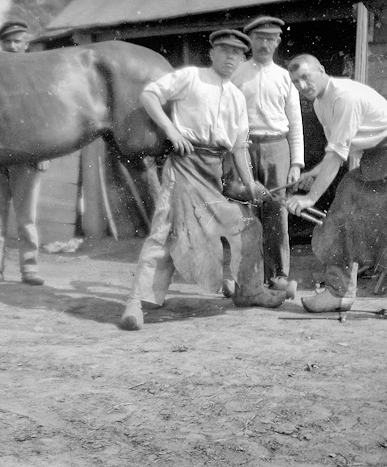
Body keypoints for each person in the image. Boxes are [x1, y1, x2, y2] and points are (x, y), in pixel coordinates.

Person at [120, 29, 287, 331]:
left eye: (237, 53)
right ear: (212, 53)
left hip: (214, 174)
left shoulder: (237, 97)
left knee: (249, 225)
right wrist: (171, 129)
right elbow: (149, 95)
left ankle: (250, 291)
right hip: (184, 167)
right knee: (166, 229)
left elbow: (238, 145)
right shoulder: (191, 77)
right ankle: (137, 302)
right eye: (224, 51)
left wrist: (250, 184)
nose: (231, 57)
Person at [284, 55, 387, 324]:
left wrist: (310, 198)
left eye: (306, 77)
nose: (302, 85)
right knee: (340, 213)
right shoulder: (319, 103)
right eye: (295, 81)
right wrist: (313, 174)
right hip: (373, 159)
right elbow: (341, 148)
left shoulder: (345, 96)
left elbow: (337, 155)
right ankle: (339, 292)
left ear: (322, 71)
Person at [0, 21, 48, 288]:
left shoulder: (38, 75)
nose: (12, 47)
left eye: (17, 42)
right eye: (7, 42)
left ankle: (30, 269)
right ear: (0, 44)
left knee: (26, 218)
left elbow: (47, 117)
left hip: (26, 156)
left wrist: (45, 151)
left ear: (27, 44)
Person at [227, 16, 304, 290]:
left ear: (278, 42)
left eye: (271, 39)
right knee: (245, 212)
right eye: (259, 38)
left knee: (276, 212)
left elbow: (295, 122)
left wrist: (296, 162)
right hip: (243, 148)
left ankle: (278, 275)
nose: (264, 44)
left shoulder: (285, 77)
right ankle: (248, 277)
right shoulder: (237, 74)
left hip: (277, 148)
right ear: (251, 42)